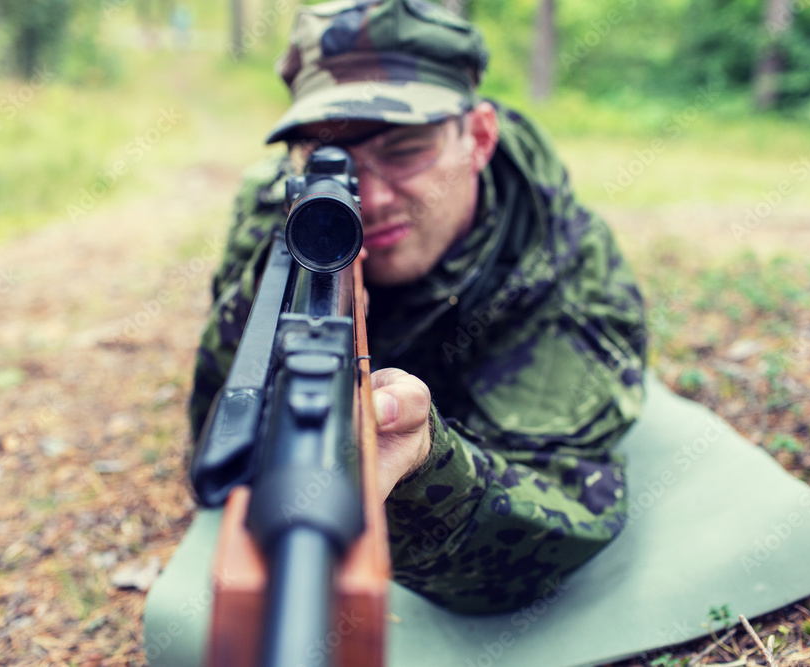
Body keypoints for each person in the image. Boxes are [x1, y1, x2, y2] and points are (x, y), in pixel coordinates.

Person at [188, 0, 646, 615]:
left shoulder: (556, 261)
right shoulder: (280, 206)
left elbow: (558, 524)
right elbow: (217, 436)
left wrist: (427, 468)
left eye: (405, 151)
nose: (369, 199)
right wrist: (278, 316)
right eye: (332, 160)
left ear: (479, 137)